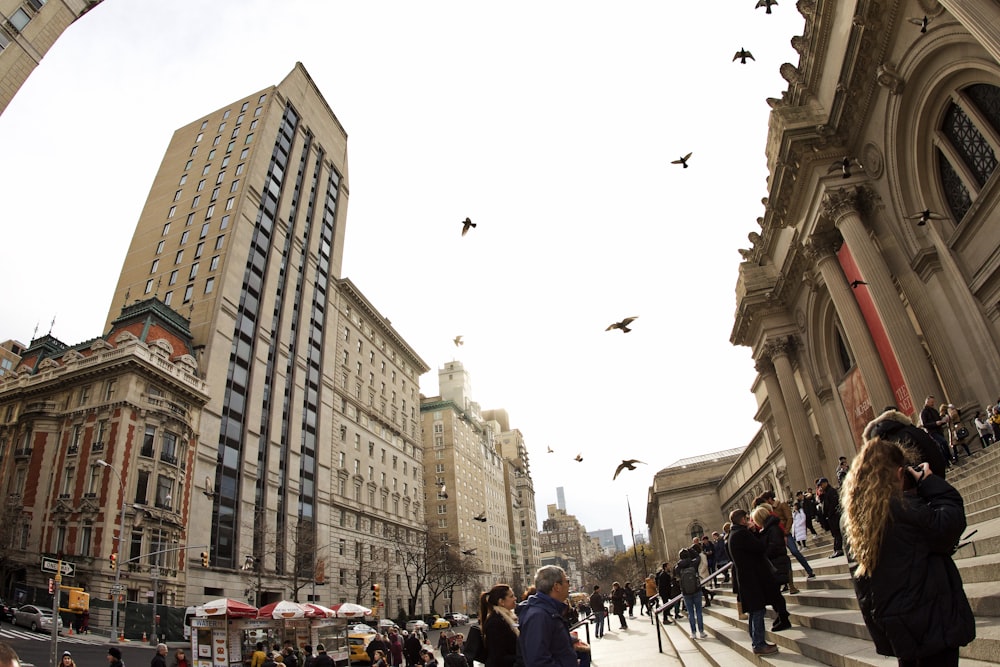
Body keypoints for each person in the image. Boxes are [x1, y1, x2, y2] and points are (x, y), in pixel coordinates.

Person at [842, 436, 975, 666]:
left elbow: (864, 590)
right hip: (929, 621)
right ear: (897, 473)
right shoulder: (902, 509)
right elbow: (950, 523)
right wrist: (929, 481)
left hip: (899, 626)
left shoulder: (854, 522)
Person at [727, 508, 780, 656]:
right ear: (743, 520)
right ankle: (759, 644)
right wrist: (755, 532)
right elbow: (759, 547)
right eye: (746, 518)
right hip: (751, 578)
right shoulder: (742, 533)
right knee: (758, 610)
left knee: (754, 610)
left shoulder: (733, 534)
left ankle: (757, 641)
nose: (749, 520)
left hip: (745, 578)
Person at [517, 565, 577, 667]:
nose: (569, 585)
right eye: (567, 581)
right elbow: (538, 661)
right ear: (556, 587)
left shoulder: (549, 611)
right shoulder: (538, 616)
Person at [865, 407, 949, 478]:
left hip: (915, 489)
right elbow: (936, 455)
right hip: (934, 478)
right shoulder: (916, 431)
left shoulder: (884, 442)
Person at [750, 504, 793, 630]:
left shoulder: (773, 529)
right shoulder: (768, 529)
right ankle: (781, 615)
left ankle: (784, 617)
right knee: (774, 593)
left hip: (777, 564)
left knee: (774, 593)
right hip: (775, 564)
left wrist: (763, 554)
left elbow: (774, 546)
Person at [478, 583, 518, 667]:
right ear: (501, 602)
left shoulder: (505, 618)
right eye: (511, 596)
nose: (515, 598)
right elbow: (498, 656)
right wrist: (521, 658)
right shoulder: (496, 622)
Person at [674, 548, 705, 640]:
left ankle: (693, 632)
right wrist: (691, 549)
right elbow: (698, 556)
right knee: (699, 611)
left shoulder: (677, 567)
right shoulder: (693, 563)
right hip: (696, 589)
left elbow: (677, 577)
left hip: (686, 592)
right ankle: (701, 631)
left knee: (691, 613)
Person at [919, 395, 955, 466]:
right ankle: (949, 459)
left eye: (933, 402)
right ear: (927, 402)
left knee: (942, 446)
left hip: (939, 430)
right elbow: (924, 424)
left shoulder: (934, 411)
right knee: (943, 442)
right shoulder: (924, 412)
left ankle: (947, 462)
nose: (933, 403)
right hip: (932, 432)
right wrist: (935, 423)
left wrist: (943, 420)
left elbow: (939, 419)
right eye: (931, 402)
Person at [816, 477, 844, 557]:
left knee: (837, 533)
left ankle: (838, 549)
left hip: (834, 516)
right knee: (835, 533)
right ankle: (836, 549)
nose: (820, 487)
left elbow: (833, 503)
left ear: (826, 483)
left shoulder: (831, 491)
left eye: (821, 485)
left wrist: (829, 513)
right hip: (830, 517)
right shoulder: (825, 493)